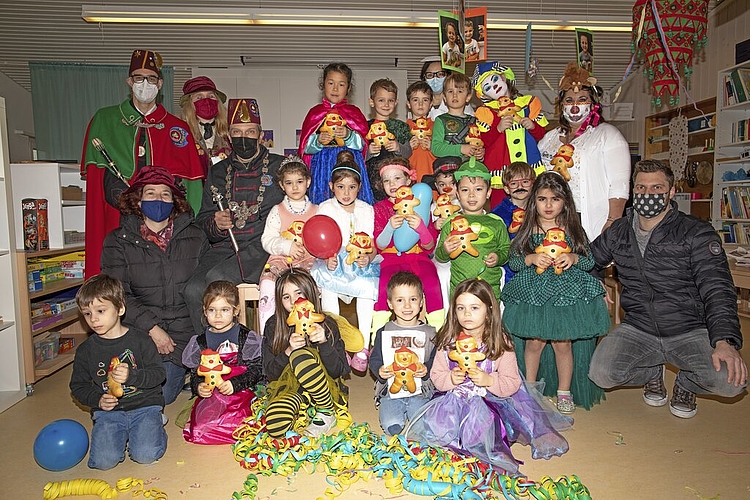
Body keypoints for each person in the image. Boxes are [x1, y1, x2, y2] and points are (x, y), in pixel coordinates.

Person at [589, 160, 748, 418]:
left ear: (671, 192)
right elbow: (587, 260)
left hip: (689, 329)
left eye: (657, 188)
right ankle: (653, 371)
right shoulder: (619, 231)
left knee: (732, 384)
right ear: (633, 191)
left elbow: (717, 288)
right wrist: (593, 277)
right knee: (601, 374)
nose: (648, 194)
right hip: (638, 327)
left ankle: (686, 384)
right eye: (641, 187)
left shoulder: (696, 232)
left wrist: (724, 341)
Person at [406, 279, 570, 474]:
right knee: (436, 432)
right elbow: (437, 375)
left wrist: (489, 380)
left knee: (482, 438)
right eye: (461, 308)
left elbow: (512, 382)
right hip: (454, 399)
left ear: (489, 310)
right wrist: (450, 379)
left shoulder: (500, 343)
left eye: (474, 307)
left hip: (489, 401)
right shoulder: (448, 341)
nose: (466, 314)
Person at [80, 49, 204, 277]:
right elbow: (99, 179)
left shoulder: (178, 128)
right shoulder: (105, 120)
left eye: (151, 78)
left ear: (160, 84)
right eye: (139, 77)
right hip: (118, 216)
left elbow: (192, 187)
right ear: (129, 81)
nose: (144, 83)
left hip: (166, 222)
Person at [502, 172, 610, 414]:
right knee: (534, 343)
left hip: (565, 296)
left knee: (563, 345)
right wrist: (530, 258)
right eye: (542, 199)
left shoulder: (572, 228)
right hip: (534, 295)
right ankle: (529, 389)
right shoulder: (528, 227)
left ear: (565, 202)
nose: (548, 205)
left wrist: (572, 257)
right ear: (534, 201)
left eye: (555, 199)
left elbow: (588, 261)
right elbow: (515, 262)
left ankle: (564, 391)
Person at [101, 165, 207, 405]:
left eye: (165, 194)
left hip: (184, 330)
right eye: (150, 193)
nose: (158, 199)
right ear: (138, 200)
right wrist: (153, 329)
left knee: (164, 394)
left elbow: (203, 289)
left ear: (174, 201)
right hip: (140, 330)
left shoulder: (196, 236)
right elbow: (117, 295)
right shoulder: (117, 241)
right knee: (133, 389)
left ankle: (184, 371)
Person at [184, 98, 285, 336]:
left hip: (263, 246)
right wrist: (216, 223)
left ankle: (240, 350)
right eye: (237, 132)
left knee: (217, 279)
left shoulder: (281, 166)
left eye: (250, 131)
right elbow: (203, 219)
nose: (244, 137)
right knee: (192, 289)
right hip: (225, 245)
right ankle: (208, 352)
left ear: (260, 135)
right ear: (228, 136)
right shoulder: (218, 171)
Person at [70, 274, 167, 470]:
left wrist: (132, 376)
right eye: (87, 314)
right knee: (104, 462)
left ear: (120, 308)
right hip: (109, 413)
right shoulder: (86, 350)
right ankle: (125, 432)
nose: (94, 319)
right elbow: (77, 386)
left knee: (146, 455)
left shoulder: (140, 340)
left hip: (144, 405)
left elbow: (159, 374)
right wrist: (98, 399)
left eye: (100, 310)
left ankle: (156, 423)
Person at [537, 62, 630, 240]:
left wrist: (613, 221)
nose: (575, 106)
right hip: (550, 220)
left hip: (589, 221)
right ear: (561, 104)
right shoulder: (550, 138)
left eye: (582, 100)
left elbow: (619, 184)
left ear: (593, 104)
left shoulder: (608, 135)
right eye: (569, 100)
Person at [310, 150, 379, 371]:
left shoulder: (366, 209)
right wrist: (327, 257)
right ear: (331, 186)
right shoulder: (325, 208)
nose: (346, 192)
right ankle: (336, 341)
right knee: (327, 286)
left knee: (368, 290)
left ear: (359, 187)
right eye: (340, 187)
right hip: (333, 259)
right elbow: (320, 238)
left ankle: (363, 348)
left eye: (351, 187)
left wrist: (367, 256)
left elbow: (370, 240)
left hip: (358, 260)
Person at [262, 269, 352, 438]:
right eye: (286, 297)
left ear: (312, 294)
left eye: (299, 293)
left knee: (301, 356)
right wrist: (288, 351)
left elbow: (337, 371)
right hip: (293, 390)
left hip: (325, 389)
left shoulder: (328, 325)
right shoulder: (274, 326)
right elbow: (270, 373)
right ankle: (302, 404)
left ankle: (326, 412)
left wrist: (324, 343)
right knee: (275, 425)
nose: (294, 301)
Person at [181, 281, 265, 444]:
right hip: (213, 396)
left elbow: (256, 370)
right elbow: (195, 373)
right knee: (201, 428)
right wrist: (199, 387)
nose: (218, 316)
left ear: (236, 310)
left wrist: (235, 383)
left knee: (246, 425)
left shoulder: (247, 338)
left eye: (224, 310)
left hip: (242, 391)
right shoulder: (200, 342)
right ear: (205, 312)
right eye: (212, 310)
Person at [372, 156, 444, 334]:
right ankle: (376, 336)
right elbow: (379, 245)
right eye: (387, 180)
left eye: (397, 178)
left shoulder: (419, 205)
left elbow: (429, 246)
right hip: (390, 260)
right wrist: (389, 227)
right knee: (382, 287)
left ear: (409, 179)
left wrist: (421, 228)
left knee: (432, 281)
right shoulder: (380, 208)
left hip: (418, 258)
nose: (392, 184)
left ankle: (439, 331)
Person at [471, 62, 547, 207]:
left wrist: (533, 126)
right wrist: (497, 129)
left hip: (528, 165)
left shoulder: (527, 104)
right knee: (500, 207)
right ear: (483, 94)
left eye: (494, 80)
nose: (494, 86)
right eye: (487, 87)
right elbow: (484, 141)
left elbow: (540, 134)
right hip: (500, 168)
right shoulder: (486, 112)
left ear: (503, 78)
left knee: (531, 205)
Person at [370, 272, 436, 436]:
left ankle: (416, 413)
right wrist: (380, 370)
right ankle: (394, 412)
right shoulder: (384, 331)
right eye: (400, 300)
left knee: (422, 424)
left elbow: (437, 359)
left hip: (421, 391)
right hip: (391, 390)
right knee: (390, 424)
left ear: (421, 302)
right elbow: (375, 358)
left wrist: (427, 369)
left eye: (413, 299)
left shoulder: (431, 333)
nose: (407, 306)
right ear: (390, 304)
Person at [435, 158, 510, 303]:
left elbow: (506, 249)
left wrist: (498, 257)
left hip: (490, 288)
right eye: (465, 190)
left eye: (478, 189)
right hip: (461, 290)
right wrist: (445, 250)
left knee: (489, 323)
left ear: (488, 192)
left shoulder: (496, 222)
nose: (471, 195)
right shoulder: (450, 222)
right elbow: (440, 256)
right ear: (457, 192)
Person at [298, 62, 373, 204]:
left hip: (349, 163)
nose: (335, 88)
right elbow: (305, 148)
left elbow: (364, 145)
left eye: (341, 84)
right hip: (321, 166)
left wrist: (349, 136)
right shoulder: (314, 113)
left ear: (349, 88)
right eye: (331, 83)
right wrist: (318, 141)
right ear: (323, 85)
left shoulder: (354, 113)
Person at [259, 156, 318, 329]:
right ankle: (267, 332)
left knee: (316, 281)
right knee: (268, 282)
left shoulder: (317, 210)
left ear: (308, 182)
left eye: (299, 181)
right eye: (289, 182)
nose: (295, 187)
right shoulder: (278, 210)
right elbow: (267, 239)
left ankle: (311, 327)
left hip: (309, 260)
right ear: (281, 185)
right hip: (282, 259)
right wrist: (286, 246)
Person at [365, 78, 412, 200]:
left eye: (390, 100)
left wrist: (398, 148)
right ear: (371, 102)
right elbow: (358, 155)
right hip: (372, 180)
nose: (386, 104)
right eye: (381, 100)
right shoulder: (364, 127)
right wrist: (368, 152)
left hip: (397, 180)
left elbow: (408, 152)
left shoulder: (401, 127)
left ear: (396, 102)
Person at [491, 161, 537, 283]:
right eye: (514, 183)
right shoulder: (498, 214)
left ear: (533, 185)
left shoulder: (539, 210)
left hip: (537, 264)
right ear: (506, 188)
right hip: (510, 269)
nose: (519, 187)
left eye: (525, 182)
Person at [179, 76, 232, 176]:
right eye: (199, 97)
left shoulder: (230, 132)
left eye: (211, 96)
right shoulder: (182, 134)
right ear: (190, 103)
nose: (206, 100)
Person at [431, 72, 483, 161]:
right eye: (450, 91)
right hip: (448, 170)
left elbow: (480, 144)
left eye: (460, 91)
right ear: (444, 97)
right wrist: (460, 149)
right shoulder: (440, 120)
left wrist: (480, 154)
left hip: (470, 171)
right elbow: (436, 148)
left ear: (468, 97)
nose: (455, 95)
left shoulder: (475, 121)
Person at [417, 56, 473, 120]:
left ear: (448, 76)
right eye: (430, 75)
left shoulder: (461, 104)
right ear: (424, 78)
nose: (435, 79)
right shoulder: (418, 104)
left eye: (440, 74)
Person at [405, 81, 436, 182]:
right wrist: (407, 148)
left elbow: (444, 152)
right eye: (415, 100)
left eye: (425, 100)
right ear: (408, 104)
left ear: (431, 103)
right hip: (410, 180)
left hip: (432, 178)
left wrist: (433, 147)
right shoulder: (403, 128)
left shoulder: (437, 127)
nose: (420, 104)